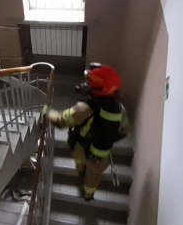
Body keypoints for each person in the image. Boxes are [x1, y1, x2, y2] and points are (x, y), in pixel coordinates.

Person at [45, 63, 129, 200]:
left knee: (81, 166)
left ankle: (81, 174)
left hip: (81, 149)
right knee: (92, 179)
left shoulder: (83, 109)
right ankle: (88, 196)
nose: (86, 85)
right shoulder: (120, 109)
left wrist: (46, 112)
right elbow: (124, 132)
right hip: (101, 158)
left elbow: (60, 121)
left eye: (89, 83)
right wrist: (105, 137)